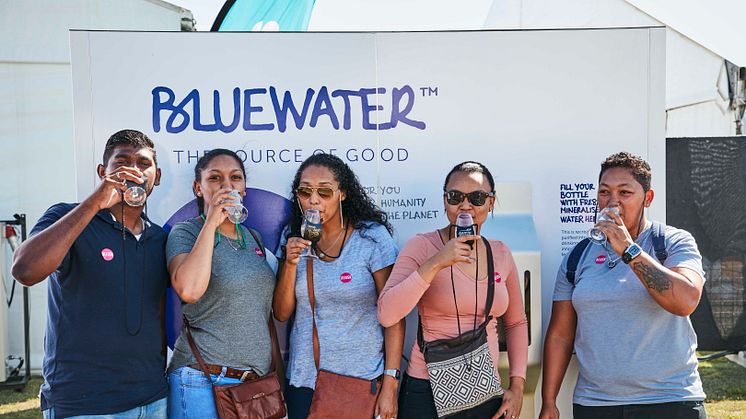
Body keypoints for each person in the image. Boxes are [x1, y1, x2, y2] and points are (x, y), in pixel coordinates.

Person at [12, 129, 168, 418]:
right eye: (122, 162)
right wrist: (95, 202)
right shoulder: (66, 216)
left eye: (144, 164)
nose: (134, 170)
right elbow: (25, 270)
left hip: (152, 400)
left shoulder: (160, 239)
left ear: (156, 177)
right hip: (83, 403)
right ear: (102, 172)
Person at [539, 152, 707, 419]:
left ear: (647, 198)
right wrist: (548, 401)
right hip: (596, 404)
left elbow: (685, 301)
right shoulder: (578, 255)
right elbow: (561, 335)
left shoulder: (673, 242)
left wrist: (628, 250)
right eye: (604, 192)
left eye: (625, 192)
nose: (612, 201)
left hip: (670, 400)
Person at [378, 161, 529, 419]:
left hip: (485, 388)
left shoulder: (500, 252)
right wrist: (436, 262)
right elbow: (387, 313)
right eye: (455, 196)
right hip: (427, 388)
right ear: (445, 201)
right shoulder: (422, 246)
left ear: (491, 203)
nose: (466, 205)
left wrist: (517, 384)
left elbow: (515, 322)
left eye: (478, 197)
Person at [273, 153, 405, 419]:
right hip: (305, 381)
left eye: (324, 191)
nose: (314, 200)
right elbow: (281, 313)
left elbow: (393, 315)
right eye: (305, 191)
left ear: (342, 194)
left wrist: (390, 382)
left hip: (360, 380)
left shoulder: (371, 238)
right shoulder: (292, 237)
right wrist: (289, 264)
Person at [166, 149, 277, 418]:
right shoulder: (186, 232)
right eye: (215, 178)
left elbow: (264, 312)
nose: (227, 186)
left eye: (235, 178)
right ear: (198, 187)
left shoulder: (253, 238)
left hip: (251, 386)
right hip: (201, 380)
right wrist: (213, 220)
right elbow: (189, 290)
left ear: (244, 189)